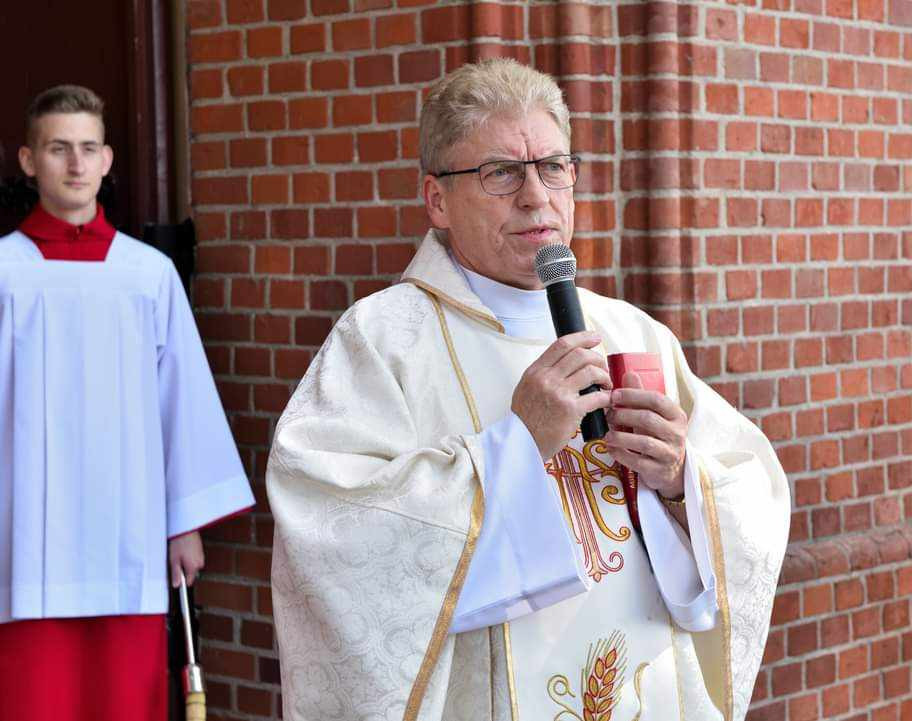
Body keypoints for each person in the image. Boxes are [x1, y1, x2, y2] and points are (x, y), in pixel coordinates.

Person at [268, 59, 790, 721]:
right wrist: (516, 444)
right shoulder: (380, 341)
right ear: (436, 199)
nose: (536, 197)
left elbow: (751, 494)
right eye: (501, 172)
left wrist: (681, 480)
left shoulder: (633, 331)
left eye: (552, 167)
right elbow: (331, 532)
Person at [0, 85, 255, 720]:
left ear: (108, 159)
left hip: (128, 533)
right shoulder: (5, 272)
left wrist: (184, 522)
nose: (76, 164)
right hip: (23, 533)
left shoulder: (147, 275)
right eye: (59, 149)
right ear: (29, 161)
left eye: (88, 148)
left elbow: (182, 401)